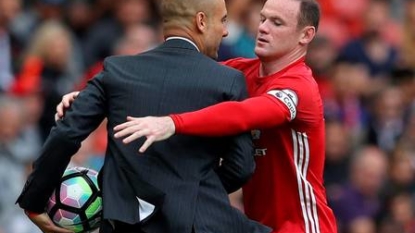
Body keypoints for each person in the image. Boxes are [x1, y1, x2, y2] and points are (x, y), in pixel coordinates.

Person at [57, 0, 338, 232]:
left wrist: (173, 123)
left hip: (302, 224)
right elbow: (168, 78)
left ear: (306, 35)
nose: (263, 28)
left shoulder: (300, 87)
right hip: (255, 224)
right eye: (263, 19)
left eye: (276, 23)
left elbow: (247, 114)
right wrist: (91, 95)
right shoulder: (239, 73)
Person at [17, 0, 272, 232]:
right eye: (223, 20)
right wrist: (191, 190)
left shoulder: (116, 70)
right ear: (201, 21)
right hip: (202, 221)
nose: (226, 31)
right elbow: (241, 167)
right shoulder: (227, 81)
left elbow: (66, 135)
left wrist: (35, 201)